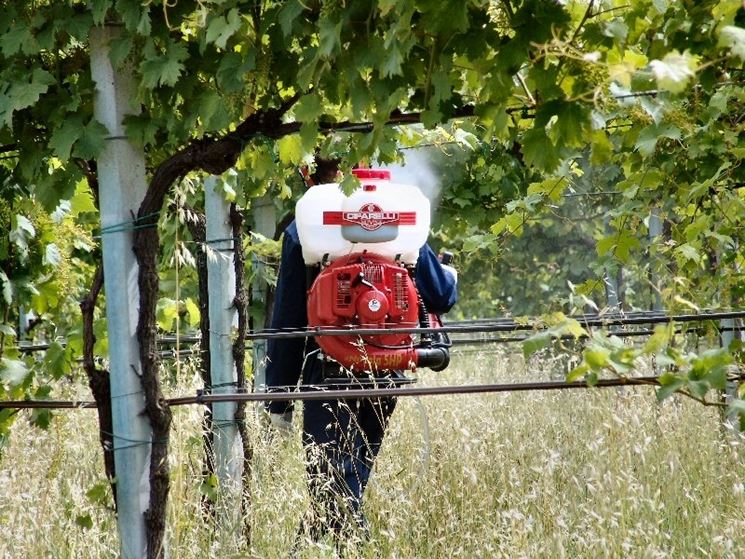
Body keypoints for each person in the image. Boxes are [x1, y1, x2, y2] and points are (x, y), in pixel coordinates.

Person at [264, 166, 457, 545]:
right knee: (347, 476)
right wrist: (447, 274)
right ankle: (328, 545)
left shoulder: (307, 223)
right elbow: (440, 296)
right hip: (387, 369)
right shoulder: (400, 218)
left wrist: (279, 396)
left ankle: (329, 546)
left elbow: (287, 317)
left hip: (323, 370)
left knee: (332, 479)